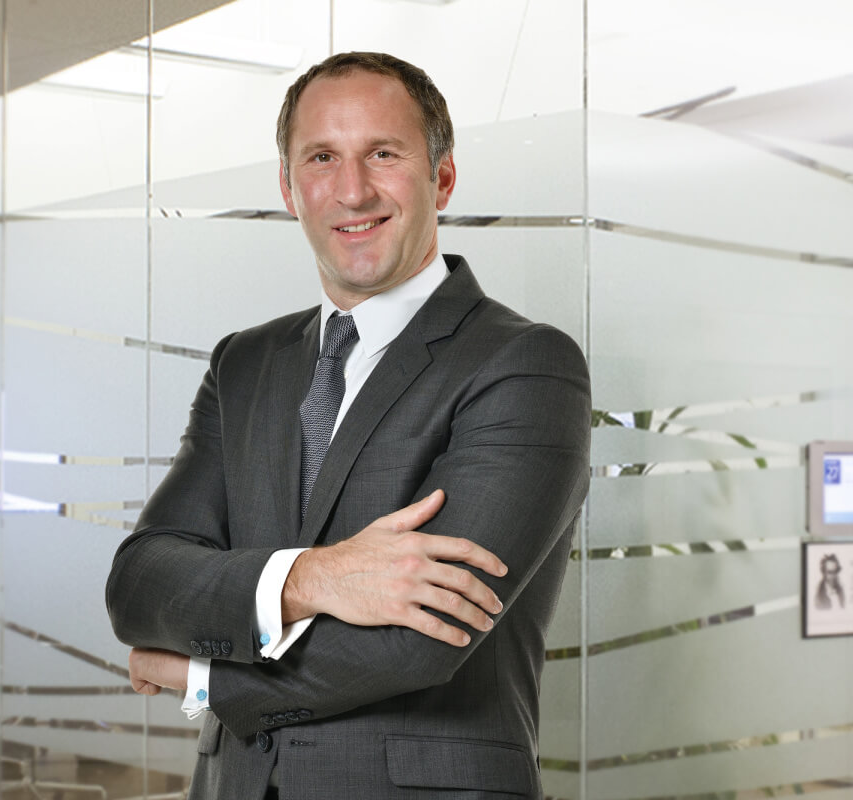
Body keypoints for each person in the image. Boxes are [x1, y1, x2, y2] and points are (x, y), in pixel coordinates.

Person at [106, 51, 591, 799]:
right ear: (289, 188)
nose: (353, 190)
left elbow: (415, 643)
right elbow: (141, 585)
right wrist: (315, 577)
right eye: (322, 158)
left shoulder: (523, 365)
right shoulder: (245, 363)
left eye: (384, 154)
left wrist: (203, 678)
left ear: (442, 178)